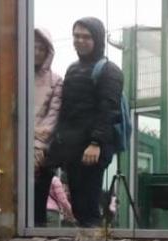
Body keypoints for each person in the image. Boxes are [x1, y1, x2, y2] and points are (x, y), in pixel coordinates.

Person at [44, 17, 124, 227]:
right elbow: (67, 109)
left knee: (88, 205)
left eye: (86, 36)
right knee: (79, 205)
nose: (80, 40)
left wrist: (96, 142)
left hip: (93, 148)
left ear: (97, 39)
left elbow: (109, 109)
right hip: (72, 147)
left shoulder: (109, 71)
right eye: (76, 36)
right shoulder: (72, 69)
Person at [32, 27, 64, 226]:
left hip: (42, 152)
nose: (36, 52)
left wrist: (37, 146)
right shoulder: (14, 75)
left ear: (48, 51)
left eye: (41, 48)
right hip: (13, 151)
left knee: (37, 202)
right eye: (32, 47)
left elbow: (53, 117)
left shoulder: (56, 80)